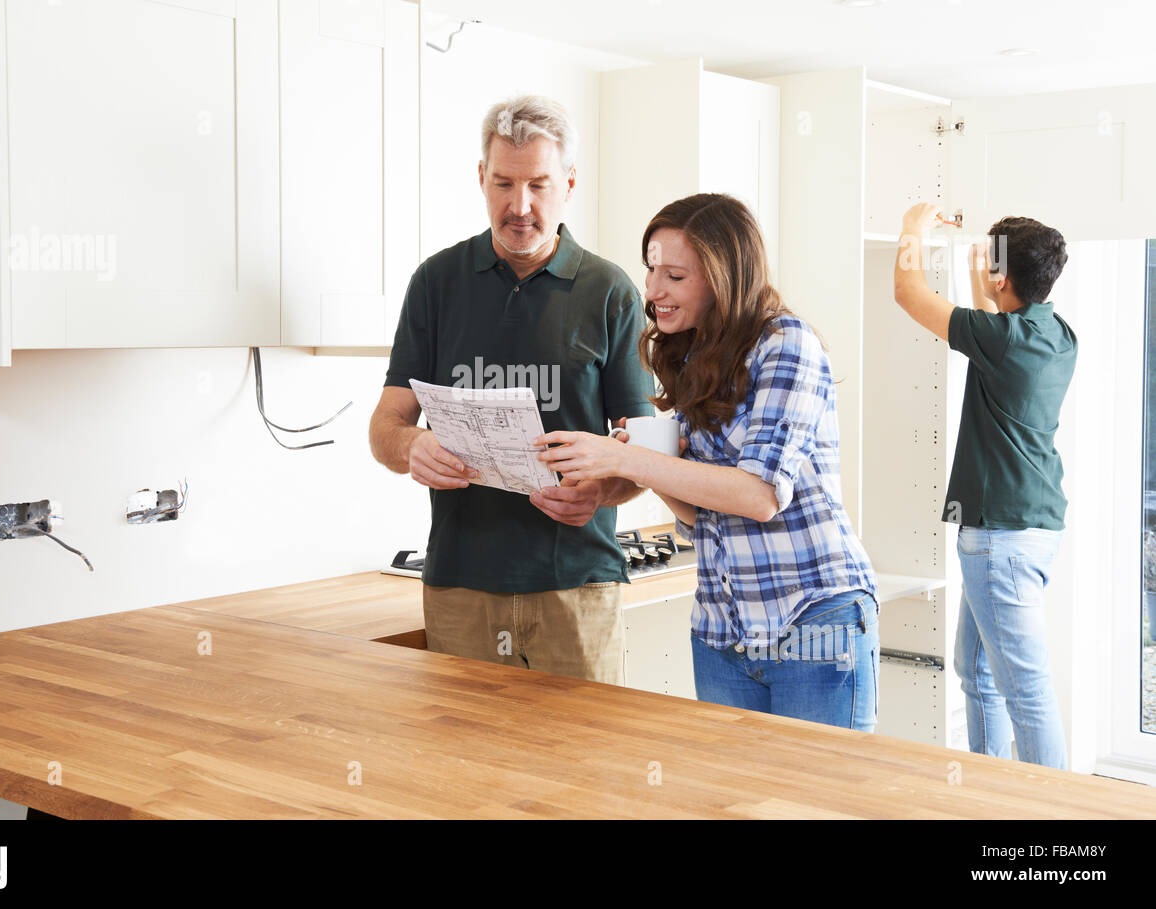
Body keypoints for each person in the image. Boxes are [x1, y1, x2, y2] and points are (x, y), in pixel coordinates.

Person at [535, 193, 881, 730]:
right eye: (651, 271)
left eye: (674, 276)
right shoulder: (694, 355)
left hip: (812, 619)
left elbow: (759, 496)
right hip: (724, 629)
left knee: (816, 805)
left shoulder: (786, 343)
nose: (651, 291)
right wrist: (637, 460)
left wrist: (626, 460)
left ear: (723, 276)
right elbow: (706, 516)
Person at [369, 95, 654, 684]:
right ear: (481, 178)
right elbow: (385, 427)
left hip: (576, 585)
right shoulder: (436, 282)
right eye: (503, 183)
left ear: (569, 184)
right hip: (460, 584)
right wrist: (410, 447)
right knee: (465, 767)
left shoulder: (611, 291)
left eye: (538, 185)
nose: (519, 206)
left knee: (583, 764)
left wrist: (603, 489)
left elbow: (645, 450)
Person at [893, 203, 1076, 769]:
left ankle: (1053, 813)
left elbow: (909, 293)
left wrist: (912, 231)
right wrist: (986, 271)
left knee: (1025, 688)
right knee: (975, 670)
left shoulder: (1001, 337)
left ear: (1002, 275)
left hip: (999, 539)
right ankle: (991, 784)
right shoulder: (1054, 333)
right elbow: (990, 314)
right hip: (1027, 527)